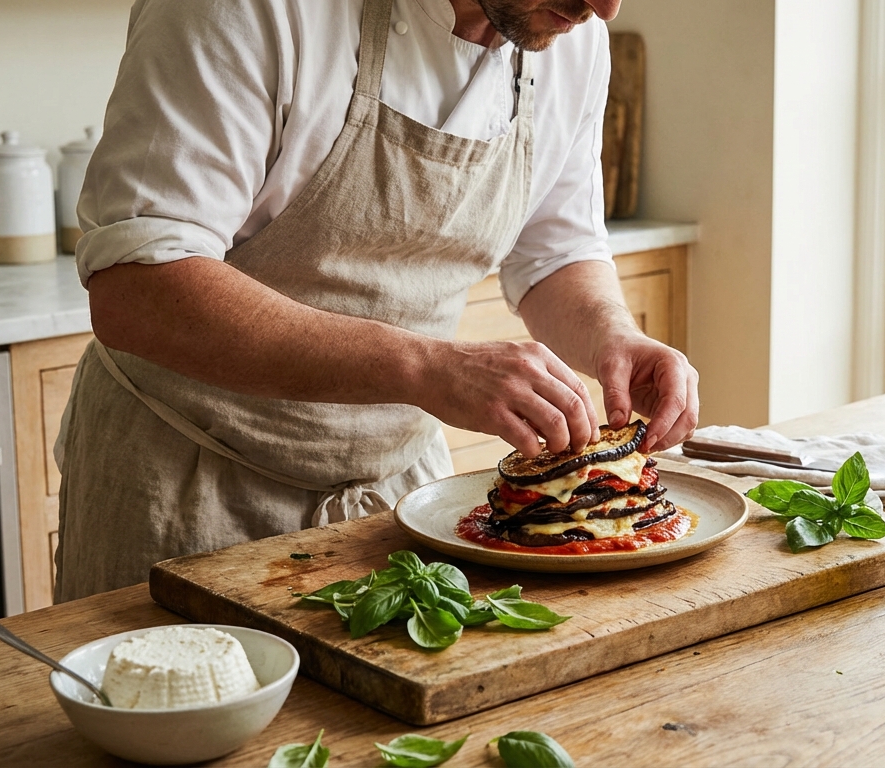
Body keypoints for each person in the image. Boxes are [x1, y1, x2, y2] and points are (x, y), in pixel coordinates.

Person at [53, 0, 699, 601]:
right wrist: (425, 368)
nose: (606, 7)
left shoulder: (571, 35)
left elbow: (555, 253)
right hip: (190, 481)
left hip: (399, 490)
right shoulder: (248, 10)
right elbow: (138, 287)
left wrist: (615, 338)